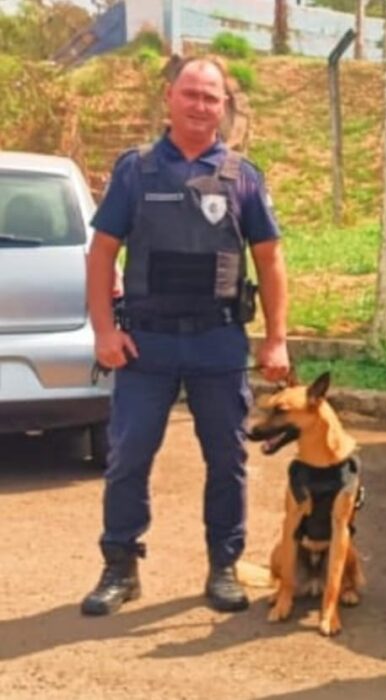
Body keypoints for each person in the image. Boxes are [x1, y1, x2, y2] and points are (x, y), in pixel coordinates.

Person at [81, 56, 291, 617]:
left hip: (218, 342)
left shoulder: (243, 177)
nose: (200, 105)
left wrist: (276, 339)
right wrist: (104, 330)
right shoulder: (136, 171)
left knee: (227, 460)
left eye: (211, 97)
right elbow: (101, 253)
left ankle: (223, 566)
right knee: (128, 457)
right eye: (191, 94)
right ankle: (120, 567)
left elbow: (270, 260)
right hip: (146, 344)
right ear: (169, 97)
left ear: (224, 107)